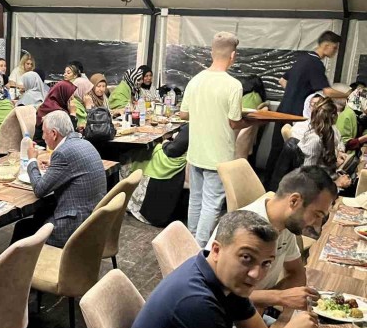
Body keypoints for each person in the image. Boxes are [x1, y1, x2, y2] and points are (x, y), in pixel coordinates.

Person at [120, 210, 319, 328]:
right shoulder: (197, 302)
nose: (256, 274)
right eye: (246, 257)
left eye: (266, 263)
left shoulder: (224, 277)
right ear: (216, 250)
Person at [208, 167, 335, 314]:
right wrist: (277, 297)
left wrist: (268, 300)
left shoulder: (286, 226)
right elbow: (215, 292)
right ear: (294, 201)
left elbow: (297, 273)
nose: (317, 224)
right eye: (317, 214)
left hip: (255, 313)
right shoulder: (243, 227)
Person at [179, 31, 253, 246]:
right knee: (211, 204)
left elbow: (183, 114)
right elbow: (234, 122)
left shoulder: (195, 80)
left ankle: (190, 242)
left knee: (196, 199)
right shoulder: (233, 85)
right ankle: (200, 248)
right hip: (218, 156)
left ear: (211, 53)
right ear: (233, 56)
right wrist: (252, 122)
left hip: (196, 153)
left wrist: (204, 112)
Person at [13, 111, 106, 247]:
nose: (42, 137)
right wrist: (54, 165)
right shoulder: (84, 143)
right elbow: (72, 166)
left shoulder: (62, 153)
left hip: (74, 228)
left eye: (44, 132)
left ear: (54, 134)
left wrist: (32, 160)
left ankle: (17, 261)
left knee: (22, 228)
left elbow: (39, 189)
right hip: (94, 220)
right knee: (40, 214)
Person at [266, 31, 347, 180]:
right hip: (296, 114)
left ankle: (267, 185)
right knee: (293, 156)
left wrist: (294, 92)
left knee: (276, 151)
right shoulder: (316, 63)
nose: (335, 52)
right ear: (326, 45)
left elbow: (282, 81)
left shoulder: (302, 59)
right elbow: (327, 92)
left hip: (282, 110)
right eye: (335, 48)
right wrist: (349, 94)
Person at [125, 125, 189, 227]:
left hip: (170, 161)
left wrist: (165, 143)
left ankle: (125, 199)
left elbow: (172, 150)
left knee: (133, 155)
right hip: (184, 160)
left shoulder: (190, 127)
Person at [297, 98, 350, 188]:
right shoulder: (314, 140)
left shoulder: (331, 132)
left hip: (329, 176)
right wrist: (336, 183)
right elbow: (308, 176)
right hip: (319, 186)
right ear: (333, 117)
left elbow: (326, 166)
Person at [34, 80, 78, 145]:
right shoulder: (57, 112)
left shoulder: (48, 104)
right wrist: (73, 114)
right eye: (71, 95)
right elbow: (69, 136)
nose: (72, 99)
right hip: (46, 146)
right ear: (63, 94)